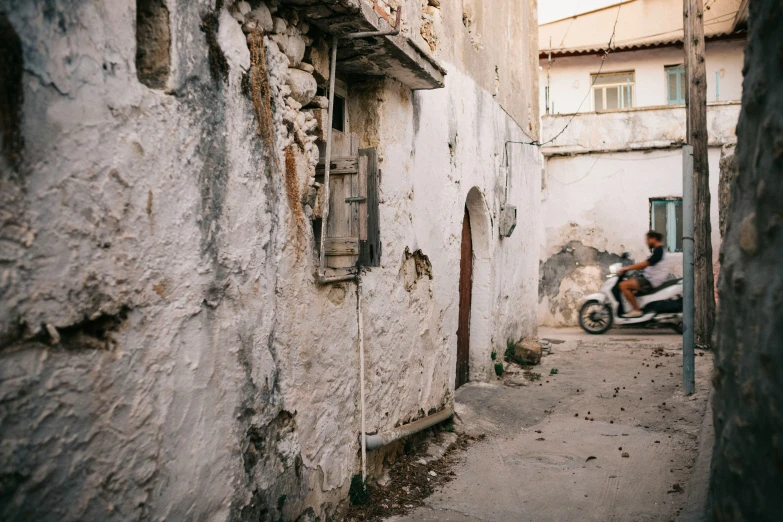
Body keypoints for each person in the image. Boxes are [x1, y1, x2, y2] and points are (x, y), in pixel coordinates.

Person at [618, 231, 669, 317]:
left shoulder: (659, 250)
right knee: (629, 284)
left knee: (623, 285)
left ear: (654, 239)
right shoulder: (658, 250)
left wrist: (627, 268)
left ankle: (636, 310)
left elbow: (646, 264)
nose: (647, 242)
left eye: (648, 239)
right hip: (650, 278)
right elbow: (649, 265)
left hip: (651, 280)